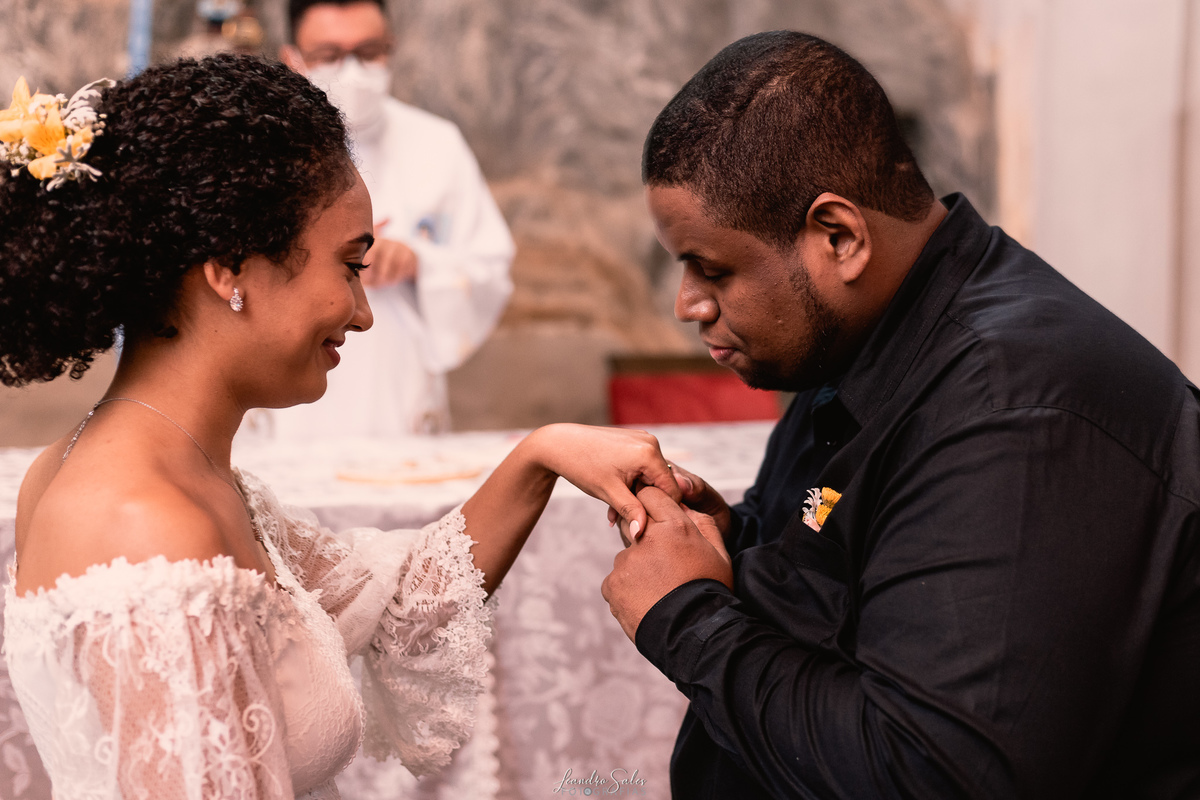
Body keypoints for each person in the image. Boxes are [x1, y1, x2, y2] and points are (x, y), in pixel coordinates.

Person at [0, 55, 678, 800]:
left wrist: (543, 452)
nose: (364, 310)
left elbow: (395, 609)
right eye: (349, 266)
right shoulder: (150, 525)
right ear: (231, 268)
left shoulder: (162, 470)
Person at [597, 31, 1200, 798]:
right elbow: (836, 552)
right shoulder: (862, 345)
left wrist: (687, 617)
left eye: (713, 268)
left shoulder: (1013, 408)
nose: (689, 304)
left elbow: (931, 773)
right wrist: (729, 540)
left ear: (838, 237)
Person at [259, 0, 515, 438]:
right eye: (329, 55)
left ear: (391, 48)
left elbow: (491, 269)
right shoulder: (261, 149)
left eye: (369, 52)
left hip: (398, 389)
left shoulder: (438, 145)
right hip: (287, 398)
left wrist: (419, 262)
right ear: (292, 59)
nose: (352, 71)